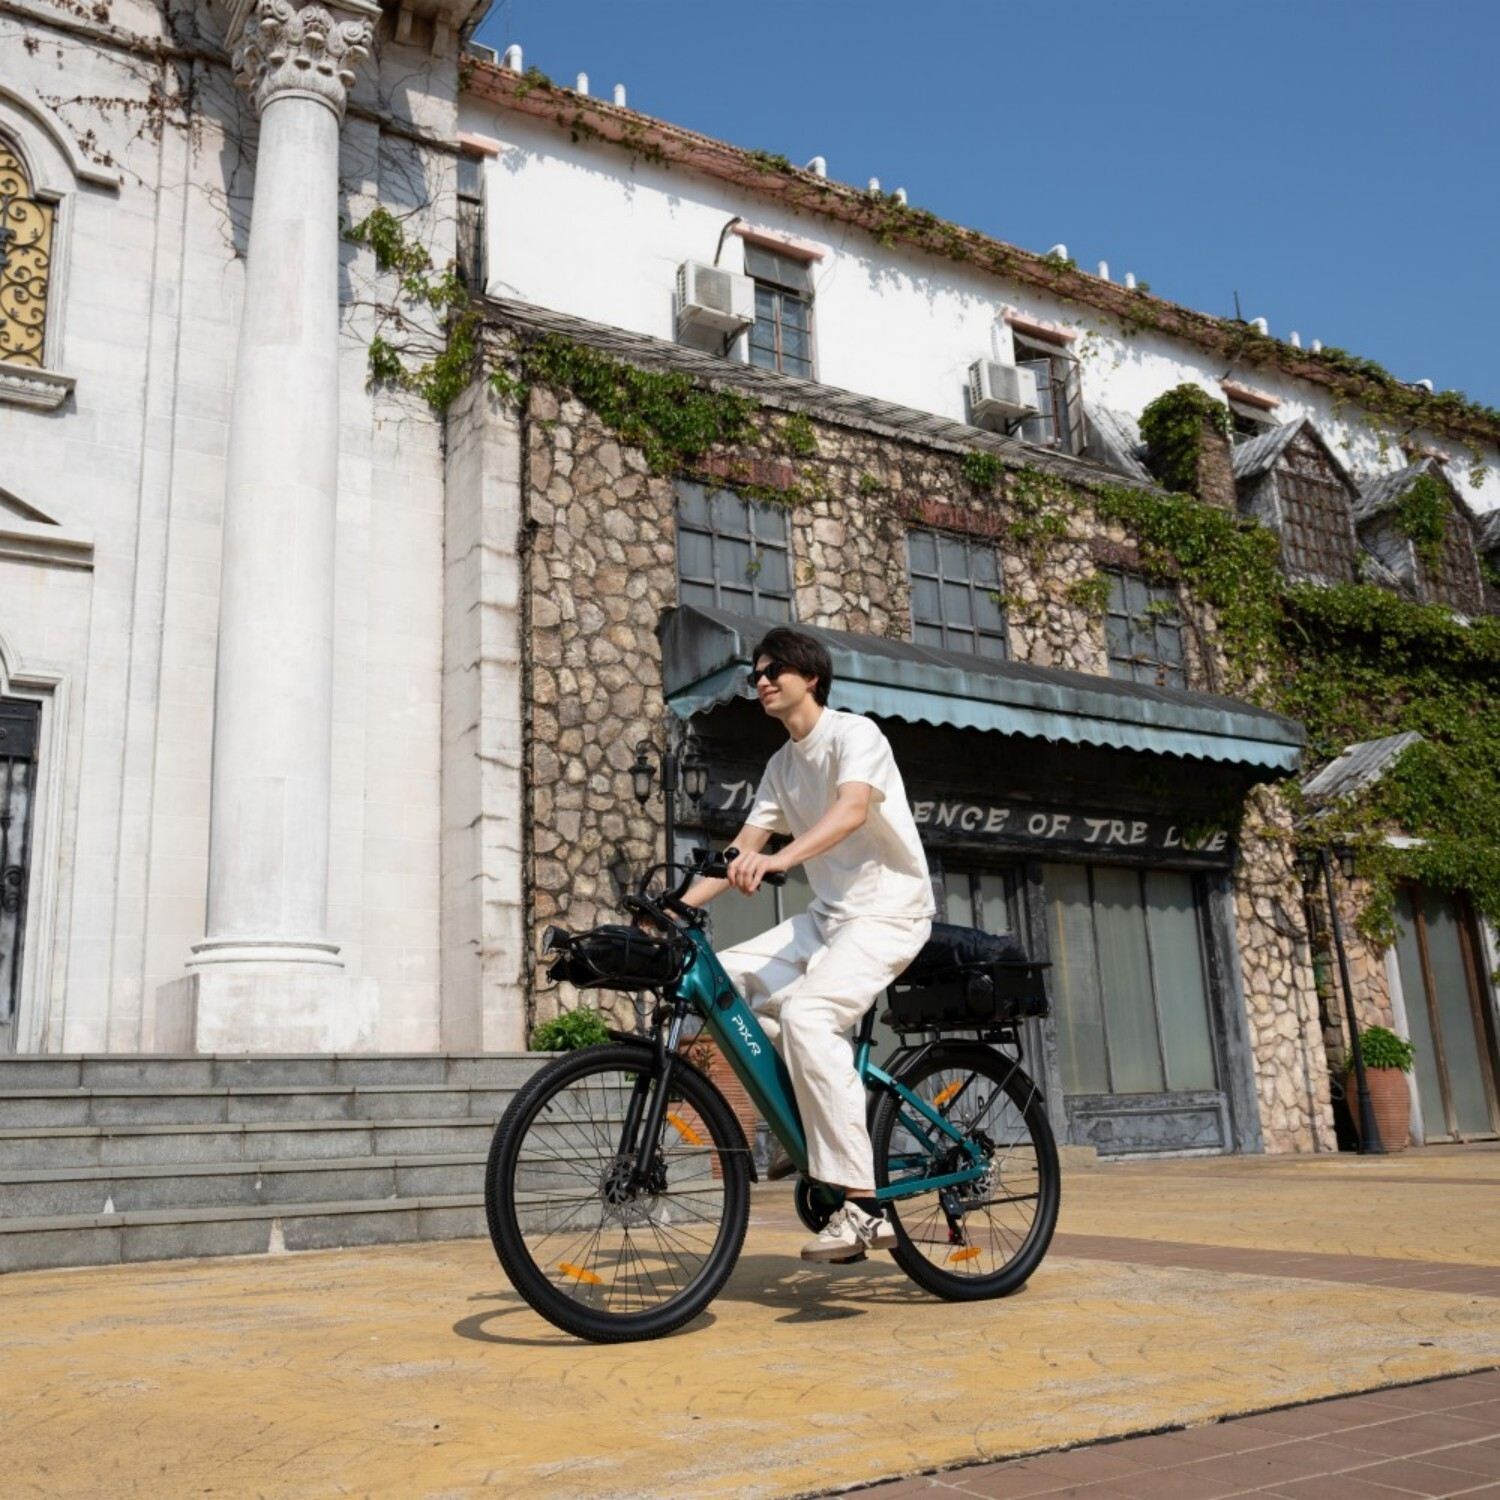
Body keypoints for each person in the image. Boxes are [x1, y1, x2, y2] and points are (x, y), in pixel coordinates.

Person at [682, 626, 934, 1262]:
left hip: (888, 912)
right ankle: (809, 1119)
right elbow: (743, 848)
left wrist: (780, 860)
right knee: (720, 981)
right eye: (756, 675)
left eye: (774, 671)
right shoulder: (780, 765)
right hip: (829, 916)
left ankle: (863, 1206)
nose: (761, 682)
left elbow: (851, 810)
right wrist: (669, 910)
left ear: (810, 677)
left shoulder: (856, 735)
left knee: (808, 1014)